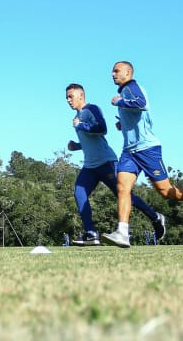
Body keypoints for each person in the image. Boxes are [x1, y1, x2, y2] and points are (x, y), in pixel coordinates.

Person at [102, 61, 183, 248]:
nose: (112, 74)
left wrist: (118, 102)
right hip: (129, 151)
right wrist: (123, 124)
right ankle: (122, 232)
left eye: (116, 70)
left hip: (147, 149)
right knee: (122, 188)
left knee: (165, 191)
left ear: (128, 72)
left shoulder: (131, 87)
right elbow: (137, 115)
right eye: (112, 71)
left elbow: (141, 103)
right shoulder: (125, 91)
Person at [65, 83, 167, 246]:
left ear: (81, 96)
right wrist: (76, 146)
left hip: (106, 162)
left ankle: (155, 217)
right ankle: (91, 233)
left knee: (125, 195)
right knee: (79, 193)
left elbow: (102, 129)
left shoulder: (91, 109)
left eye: (71, 96)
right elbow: (89, 141)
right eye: (67, 98)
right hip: (90, 166)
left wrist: (80, 125)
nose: (68, 100)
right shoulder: (77, 118)